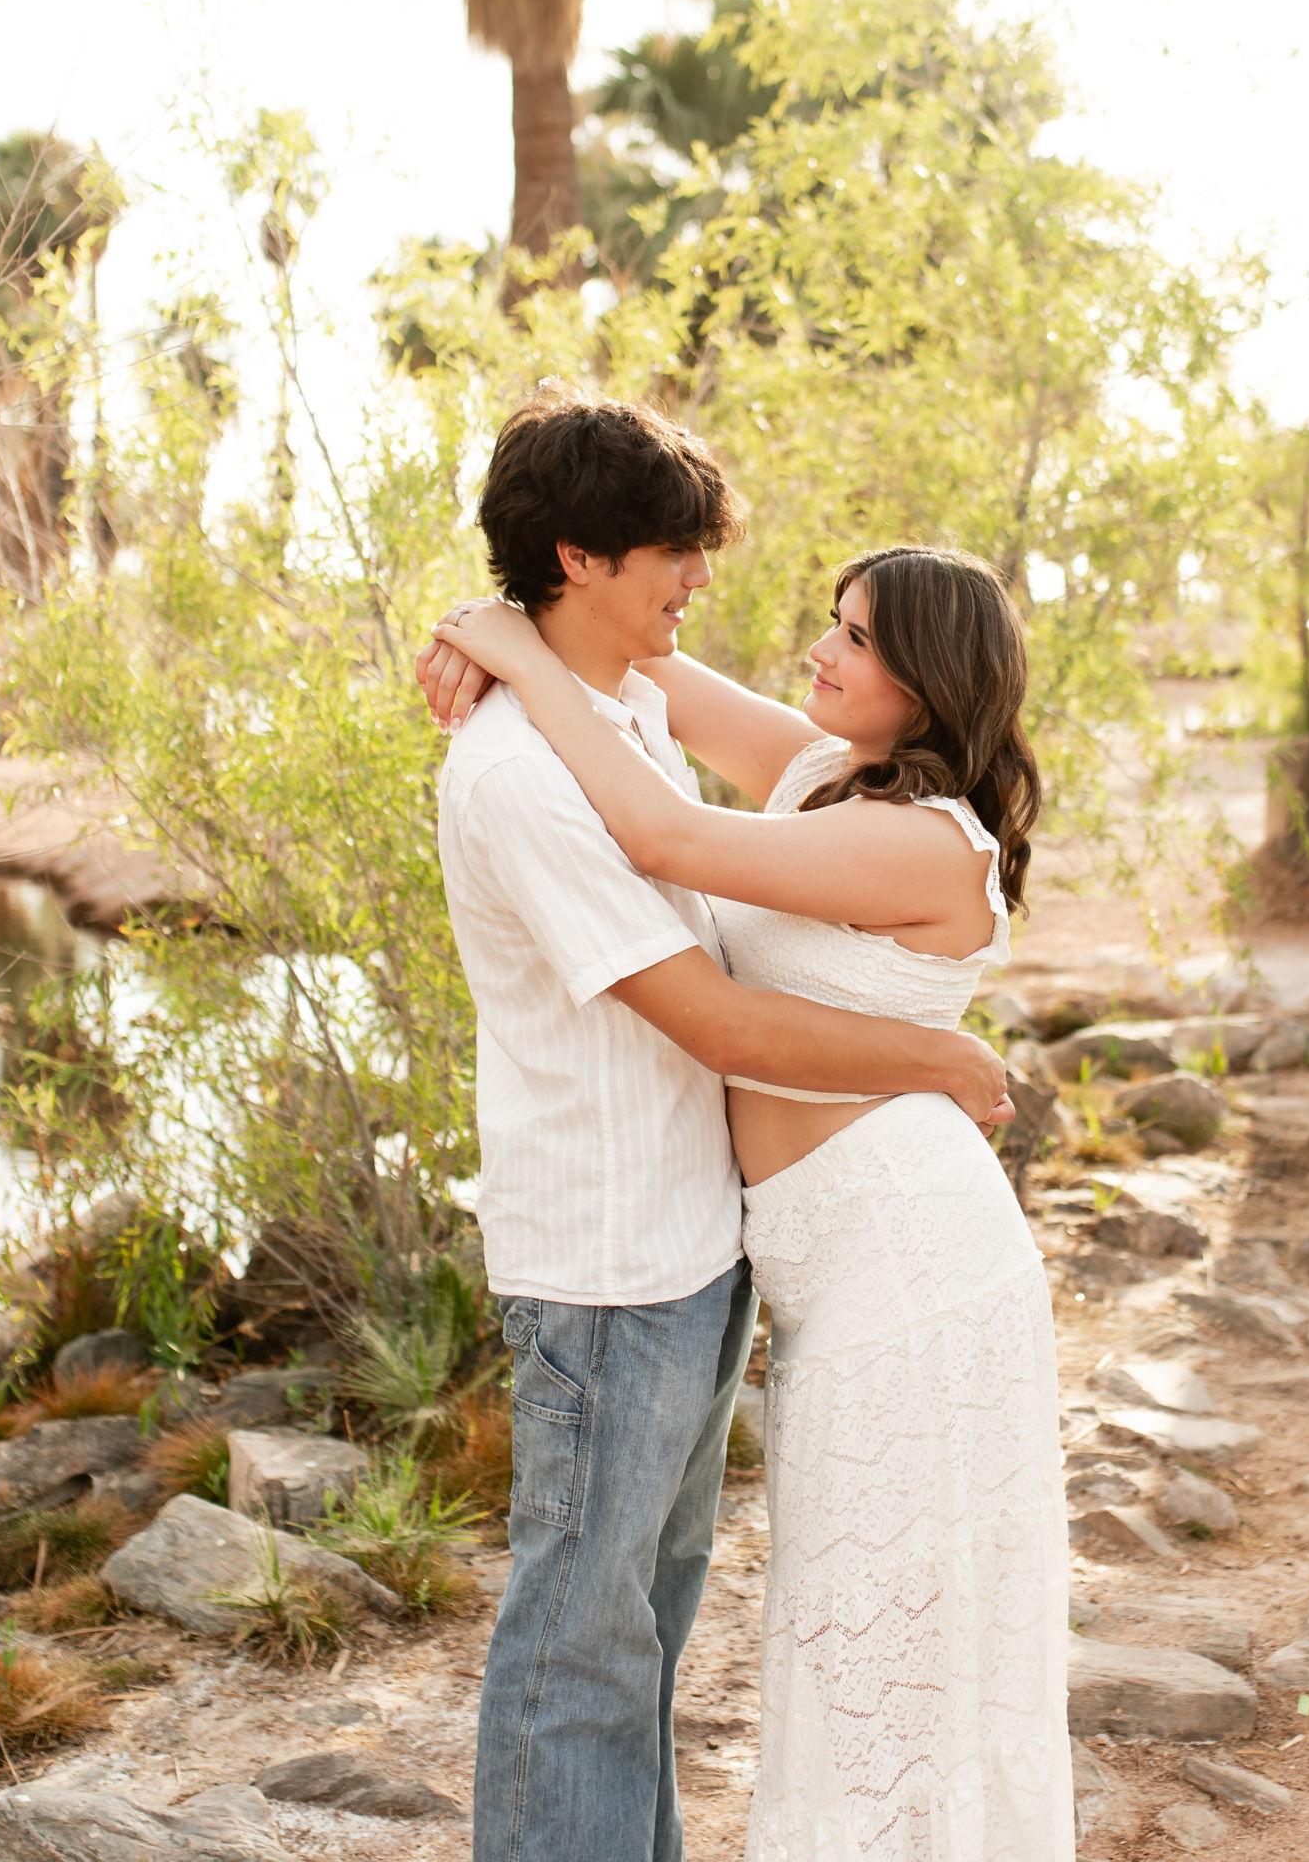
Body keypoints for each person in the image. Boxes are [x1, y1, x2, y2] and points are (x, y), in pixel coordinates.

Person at [424, 535, 1076, 1860]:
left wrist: (514, 657)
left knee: (886, 1636)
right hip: (833, 1272)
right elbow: (634, 653)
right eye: (834, 620)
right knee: (850, 1628)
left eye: (858, 639)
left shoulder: (918, 843)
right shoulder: (827, 773)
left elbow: (662, 832)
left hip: (906, 1271)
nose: (821, 651)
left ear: (931, 681)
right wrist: (501, 619)